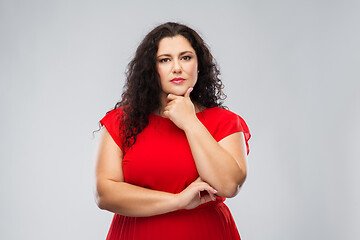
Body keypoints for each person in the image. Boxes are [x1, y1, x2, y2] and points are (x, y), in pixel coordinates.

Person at [95, 22, 251, 240]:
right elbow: (105, 194)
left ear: (199, 65)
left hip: (205, 232)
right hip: (137, 233)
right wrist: (178, 201)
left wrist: (190, 122)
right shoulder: (122, 121)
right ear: (152, 69)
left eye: (186, 57)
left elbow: (229, 185)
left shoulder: (225, 122)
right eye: (165, 60)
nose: (177, 67)